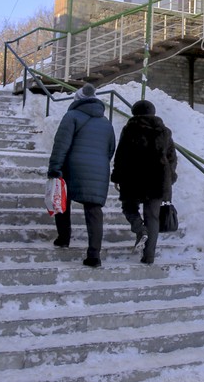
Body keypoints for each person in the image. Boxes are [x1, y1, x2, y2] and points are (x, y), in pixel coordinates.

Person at [47, 84, 115, 268]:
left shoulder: (71, 117)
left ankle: (63, 238)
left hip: (72, 166)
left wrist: (54, 167)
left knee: (63, 201)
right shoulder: (106, 122)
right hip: (99, 169)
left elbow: (61, 144)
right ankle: (94, 255)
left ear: (76, 100)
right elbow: (110, 149)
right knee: (93, 209)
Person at [110, 99, 178, 264]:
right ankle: (149, 256)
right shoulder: (164, 131)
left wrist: (117, 176)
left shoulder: (130, 129)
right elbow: (172, 158)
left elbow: (121, 155)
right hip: (157, 180)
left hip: (133, 178)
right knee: (152, 216)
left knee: (129, 208)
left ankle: (140, 229)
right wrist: (170, 177)